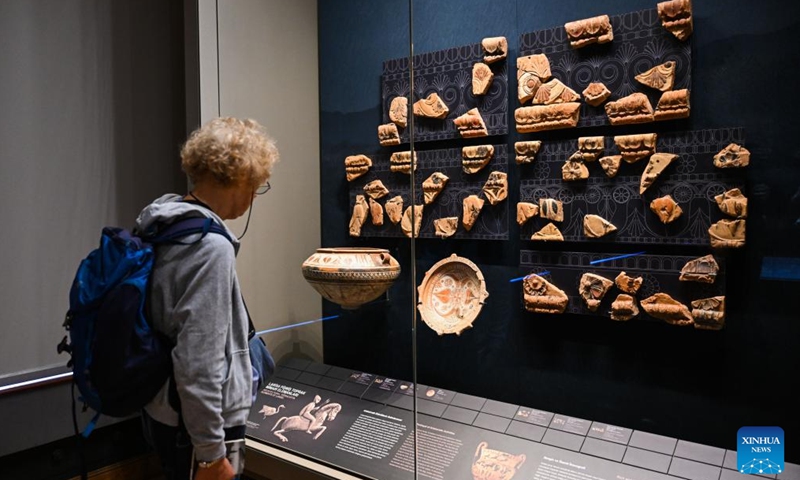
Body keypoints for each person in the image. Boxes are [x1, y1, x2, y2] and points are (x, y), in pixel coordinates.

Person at [136, 117, 279, 480]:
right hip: (197, 429)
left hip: (161, 408)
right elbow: (199, 360)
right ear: (241, 180)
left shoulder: (164, 222)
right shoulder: (209, 247)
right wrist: (211, 454)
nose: (252, 198)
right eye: (257, 187)